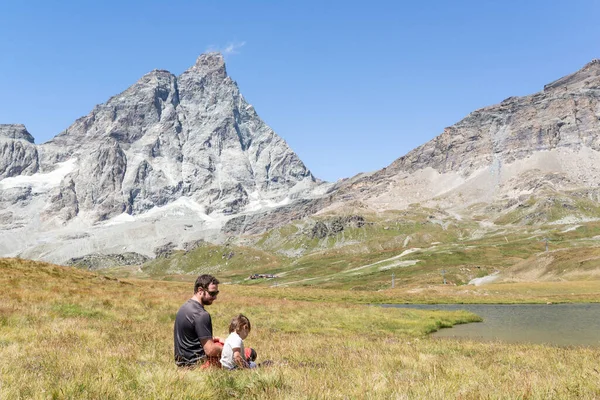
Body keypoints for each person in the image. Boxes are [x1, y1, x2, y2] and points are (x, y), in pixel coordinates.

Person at [173, 274, 223, 367]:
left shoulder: (184, 307)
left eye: (216, 293)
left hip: (182, 364)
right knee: (247, 353)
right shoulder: (202, 315)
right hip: (198, 365)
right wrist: (226, 348)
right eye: (212, 293)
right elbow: (210, 350)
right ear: (200, 290)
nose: (215, 297)